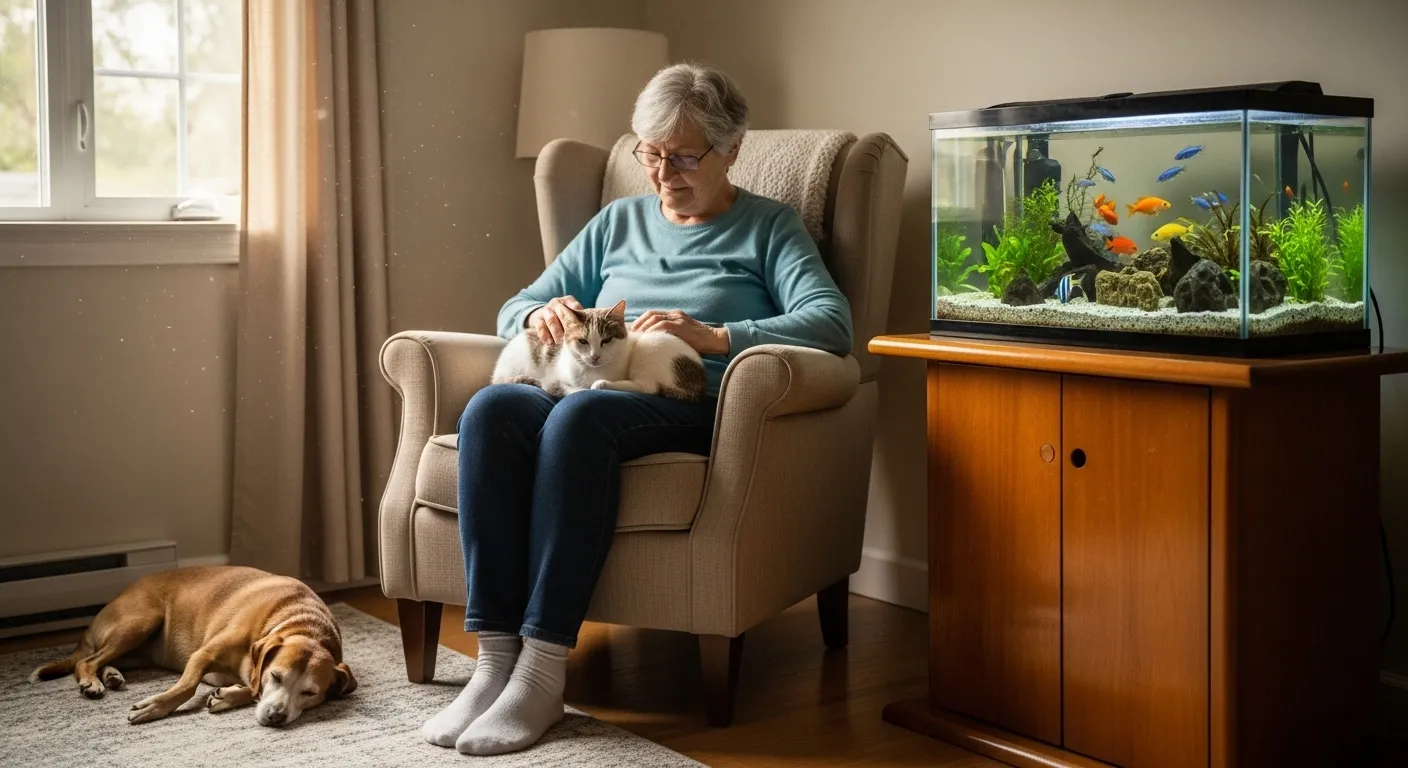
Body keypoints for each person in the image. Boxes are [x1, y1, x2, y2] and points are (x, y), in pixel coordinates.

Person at [421, 61, 854, 756]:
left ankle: (541, 672)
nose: (661, 174)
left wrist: (715, 336)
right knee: (492, 410)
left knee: (581, 417)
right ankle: (495, 660)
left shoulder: (769, 228)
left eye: (682, 156)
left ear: (733, 149)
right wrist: (545, 311)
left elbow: (831, 322)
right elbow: (512, 308)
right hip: (589, 384)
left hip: (690, 401)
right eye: (650, 154)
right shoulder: (616, 222)